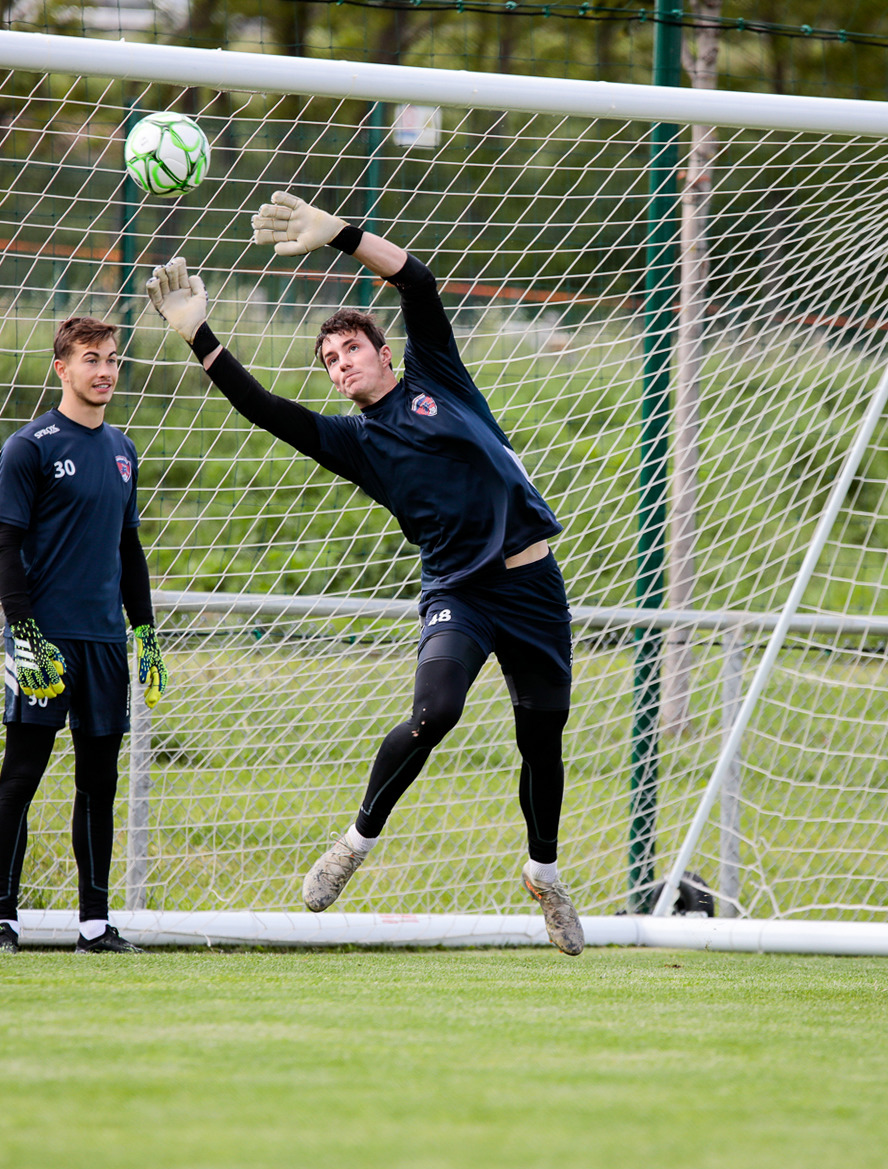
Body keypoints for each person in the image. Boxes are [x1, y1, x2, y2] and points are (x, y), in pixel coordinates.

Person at [145, 191, 584, 955]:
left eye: (349, 349)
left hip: (535, 587)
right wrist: (199, 335)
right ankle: (354, 843)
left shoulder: (437, 379)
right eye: (328, 360)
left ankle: (544, 874)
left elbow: (417, 281)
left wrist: (339, 235)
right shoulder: (354, 442)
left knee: (542, 738)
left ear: (383, 353)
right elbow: (263, 409)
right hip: (460, 592)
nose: (339, 363)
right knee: (435, 712)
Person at [0, 315, 169, 954]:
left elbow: (128, 546)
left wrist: (143, 629)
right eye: (92, 359)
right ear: (62, 368)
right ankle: (2, 922)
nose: (106, 371)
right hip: (45, 641)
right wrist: (24, 633)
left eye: (113, 359)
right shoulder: (28, 447)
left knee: (99, 782)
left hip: (103, 645)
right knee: (22, 775)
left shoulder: (122, 449)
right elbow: (3, 546)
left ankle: (94, 923)